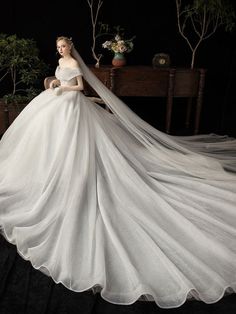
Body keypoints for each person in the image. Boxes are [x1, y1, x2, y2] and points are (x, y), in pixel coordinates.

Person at [0, 36, 236, 309]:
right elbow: (55, 79)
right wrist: (52, 84)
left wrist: (62, 89)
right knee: (45, 141)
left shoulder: (75, 62)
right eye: (58, 47)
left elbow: (78, 87)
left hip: (71, 106)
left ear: (70, 46)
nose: (60, 50)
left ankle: (74, 173)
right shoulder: (61, 61)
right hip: (55, 106)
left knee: (77, 145)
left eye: (63, 46)